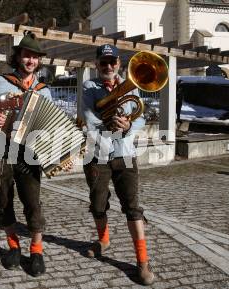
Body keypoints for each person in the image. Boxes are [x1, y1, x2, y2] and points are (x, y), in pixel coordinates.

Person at [81, 44, 154, 285]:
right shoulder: (89, 87)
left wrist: (128, 126)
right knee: (98, 203)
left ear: (119, 64)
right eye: (104, 62)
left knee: (132, 207)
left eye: (113, 62)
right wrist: (108, 123)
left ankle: (142, 261)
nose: (109, 66)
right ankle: (103, 240)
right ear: (97, 65)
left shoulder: (132, 86)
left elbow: (141, 116)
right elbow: (89, 116)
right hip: (97, 153)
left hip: (125, 153)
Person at [0, 31, 51, 277]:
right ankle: (13, 246)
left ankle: (36, 250)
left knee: (33, 202)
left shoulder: (45, 91)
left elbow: (50, 126)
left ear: (38, 61)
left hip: (30, 152)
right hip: (1, 147)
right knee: (3, 198)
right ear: (18, 56)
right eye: (26, 55)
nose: (30, 60)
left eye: (35, 57)